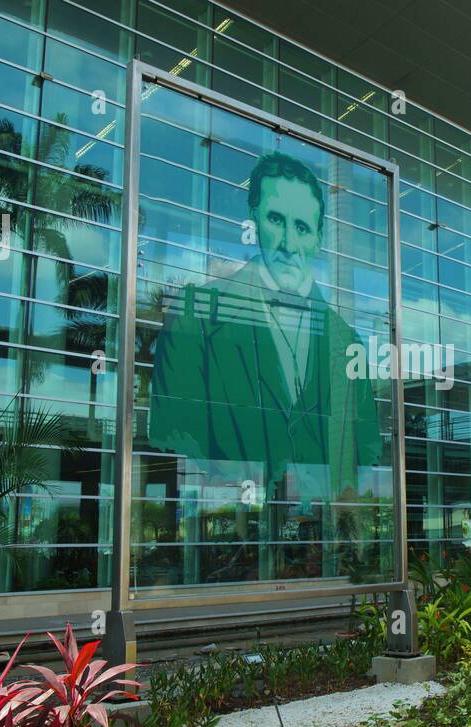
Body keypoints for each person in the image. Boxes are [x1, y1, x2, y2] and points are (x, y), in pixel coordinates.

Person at [149, 151, 381, 578]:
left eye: (303, 227)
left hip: (320, 569)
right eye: (276, 221)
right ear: (253, 219)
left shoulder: (347, 343)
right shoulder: (195, 318)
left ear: (319, 237)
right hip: (222, 566)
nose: (289, 244)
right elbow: (170, 442)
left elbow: (362, 457)